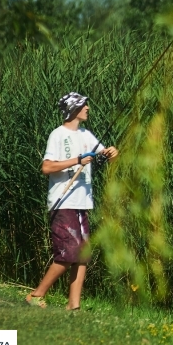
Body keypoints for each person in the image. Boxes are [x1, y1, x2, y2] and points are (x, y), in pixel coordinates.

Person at [25, 92, 118, 310]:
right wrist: (77, 160)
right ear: (74, 109)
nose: (88, 109)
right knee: (67, 255)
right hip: (62, 201)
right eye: (84, 105)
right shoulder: (57, 135)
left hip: (82, 203)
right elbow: (46, 167)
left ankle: (73, 306)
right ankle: (36, 295)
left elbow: (104, 154)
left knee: (82, 256)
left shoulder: (86, 135)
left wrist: (112, 153)